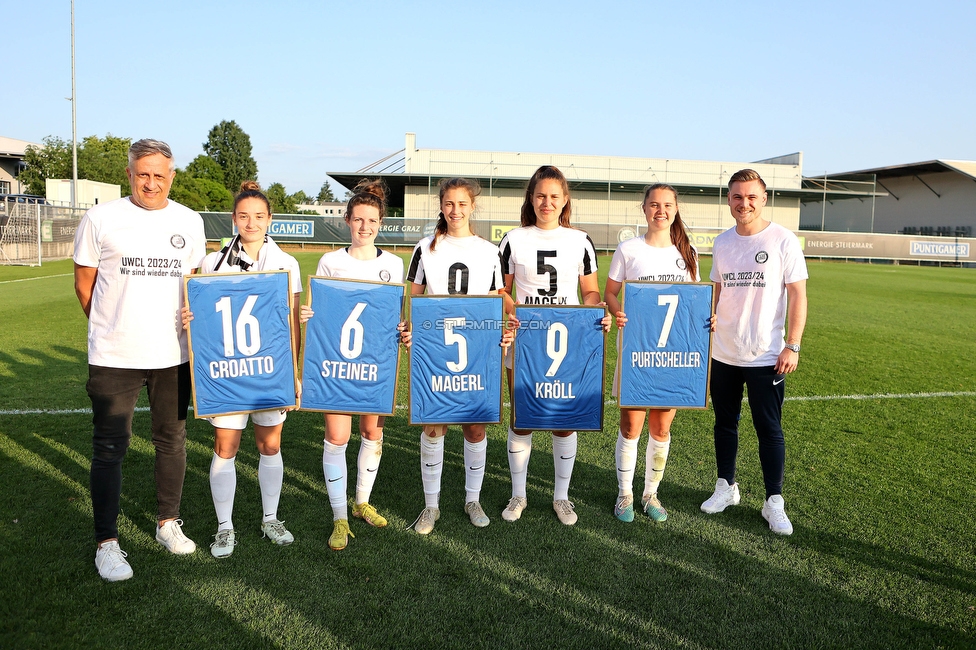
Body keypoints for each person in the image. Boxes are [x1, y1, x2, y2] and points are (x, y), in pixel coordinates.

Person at [73, 139, 207, 581]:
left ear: (172, 176)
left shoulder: (189, 221)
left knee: (172, 440)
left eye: (159, 174)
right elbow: (85, 286)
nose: (151, 182)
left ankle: (167, 522)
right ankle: (106, 542)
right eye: (142, 173)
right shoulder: (100, 218)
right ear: (129, 174)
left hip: (173, 354)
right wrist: (114, 328)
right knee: (110, 448)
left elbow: (196, 286)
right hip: (115, 354)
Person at [183, 181, 302, 558]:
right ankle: (225, 527)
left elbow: (292, 322)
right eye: (244, 215)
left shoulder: (286, 263)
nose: (251, 223)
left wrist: (294, 374)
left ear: (270, 220)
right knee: (226, 446)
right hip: (227, 370)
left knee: (270, 444)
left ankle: (270, 518)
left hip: (269, 368)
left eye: (259, 216)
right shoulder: (211, 263)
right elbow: (201, 320)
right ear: (234, 219)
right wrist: (188, 316)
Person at [497, 165, 610, 526]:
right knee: (523, 419)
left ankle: (561, 496)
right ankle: (519, 495)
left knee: (564, 422)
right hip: (526, 341)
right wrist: (518, 314)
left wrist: (596, 311)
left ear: (565, 201)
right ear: (531, 199)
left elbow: (590, 291)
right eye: (541, 195)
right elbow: (500, 289)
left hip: (568, 340)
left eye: (554, 196)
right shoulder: (514, 238)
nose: (547, 202)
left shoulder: (580, 240)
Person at [701, 168, 808, 535]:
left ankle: (773, 501)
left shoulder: (782, 240)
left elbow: (797, 294)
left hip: (767, 355)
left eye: (750, 197)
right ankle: (725, 487)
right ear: (728, 200)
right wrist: (707, 319)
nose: (743, 203)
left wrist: (792, 344)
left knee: (769, 429)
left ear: (763, 199)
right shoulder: (722, 242)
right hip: (724, 353)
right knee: (724, 423)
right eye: (736, 197)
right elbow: (715, 290)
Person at [301, 180, 404, 551]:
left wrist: (404, 331)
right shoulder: (331, 261)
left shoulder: (394, 264)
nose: (365, 227)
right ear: (347, 220)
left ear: (381, 223)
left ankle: (361, 502)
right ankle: (339, 516)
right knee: (338, 437)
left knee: (372, 434)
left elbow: (395, 317)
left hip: (375, 364)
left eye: (371, 220)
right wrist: (307, 314)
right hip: (337, 365)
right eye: (358, 219)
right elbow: (319, 312)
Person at [404, 177, 508, 534]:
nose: (455, 210)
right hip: (435, 347)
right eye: (449, 204)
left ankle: (472, 498)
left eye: (462, 204)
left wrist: (505, 329)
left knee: (475, 426)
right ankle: (430, 505)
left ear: (472, 206)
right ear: (441, 206)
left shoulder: (489, 250)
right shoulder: (425, 247)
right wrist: (411, 329)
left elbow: (497, 299)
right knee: (435, 425)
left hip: (477, 347)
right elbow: (414, 297)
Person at [604, 183, 700, 523]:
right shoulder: (628, 249)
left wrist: (708, 318)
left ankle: (650, 493)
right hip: (637, 352)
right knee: (631, 426)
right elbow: (611, 292)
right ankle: (624, 494)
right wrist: (617, 312)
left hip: (671, 355)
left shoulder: (687, 252)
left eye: (667, 205)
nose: (661, 210)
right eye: (654, 204)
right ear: (644, 209)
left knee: (661, 428)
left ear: (676, 209)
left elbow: (693, 302)